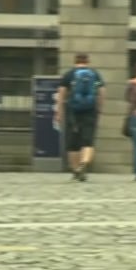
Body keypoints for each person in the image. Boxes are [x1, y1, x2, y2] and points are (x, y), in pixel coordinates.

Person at [55, 53, 105, 182]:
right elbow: (101, 93)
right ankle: (84, 164)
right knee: (88, 141)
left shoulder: (69, 74)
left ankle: (76, 170)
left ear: (75, 61)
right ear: (88, 61)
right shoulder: (95, 74)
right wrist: (99, 108)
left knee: (73, 143)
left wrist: (59, 112)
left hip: (72, 111)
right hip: (90, 111)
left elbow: (61, 95)